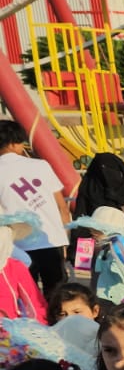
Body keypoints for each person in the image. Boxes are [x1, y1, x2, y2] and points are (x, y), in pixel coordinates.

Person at [0, 121, 71, 295]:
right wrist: (64, 239)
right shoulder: (41, 165)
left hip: (18, 245)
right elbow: (62, 206)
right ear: (14, 143)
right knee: (56, 294)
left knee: (26, 296)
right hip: (51, 240)